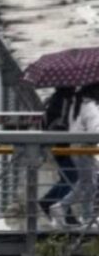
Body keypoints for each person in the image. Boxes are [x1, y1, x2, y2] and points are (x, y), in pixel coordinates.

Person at [55, 84, 99, 227]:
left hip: (75, 147)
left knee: (88, 182)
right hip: (84, 149)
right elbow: (94, 132)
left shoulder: (78, 104)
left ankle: (83, 215)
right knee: (88, 183)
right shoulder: (91, 107)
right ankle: (64, 207)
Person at [39, 87, 78, 227]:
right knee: (72, 177)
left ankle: (64, 211)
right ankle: (51, 202)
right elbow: (64, 122)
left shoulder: (55, 98)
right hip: (63, 144)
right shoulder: (66, 100)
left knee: (68, 177)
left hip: (56, 143)